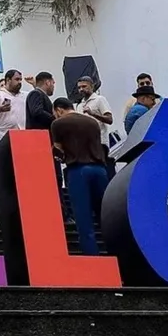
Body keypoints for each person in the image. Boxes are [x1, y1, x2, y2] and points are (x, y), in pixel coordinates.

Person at [50, 98, 110, 255]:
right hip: (100, 170)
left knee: (84, 222)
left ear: (58, 110)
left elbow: (58, 151)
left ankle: (93, 262)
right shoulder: (92, 122)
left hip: (78, 171)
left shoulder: (58, 124)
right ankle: (115, 256)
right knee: (104, 217)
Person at [0, 69, 26, 146]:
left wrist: (34, 84)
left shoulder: (24, 95)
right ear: (8, 80)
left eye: (20, 80)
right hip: (1, 134)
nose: (19, 82)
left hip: (20, 134)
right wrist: (0, 109)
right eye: (17, 79)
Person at [75, 76, 114, 145]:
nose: (81, 89)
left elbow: (110, 120)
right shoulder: (79, 105)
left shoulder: (99, 100)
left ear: (92, 86)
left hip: (100, 142)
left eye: (84, 86)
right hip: (87, 145)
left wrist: (93, 114)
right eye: (79, 88)